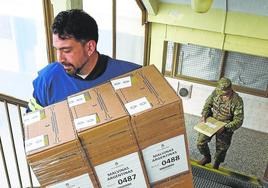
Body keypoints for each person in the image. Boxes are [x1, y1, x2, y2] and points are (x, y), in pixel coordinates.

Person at [28, 9, 141, 111]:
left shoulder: (133, 77)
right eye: (57, 50)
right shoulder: (46, 80)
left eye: (66, 50)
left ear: (90, 47)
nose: (60, 59)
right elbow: (34, 126)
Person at [197, 77, 244, 169]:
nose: (222, 95)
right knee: (200, 142)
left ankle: (216, 165)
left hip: (226, 126)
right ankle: (207, 157)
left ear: (230, 89)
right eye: (221, 93)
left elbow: (239, 120)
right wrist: (204, 115)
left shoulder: (237, 101)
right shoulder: (216, 92)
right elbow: (207, 105)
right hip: (212, 121)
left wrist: (225, 128)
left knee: (221, 149)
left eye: (225, 93)